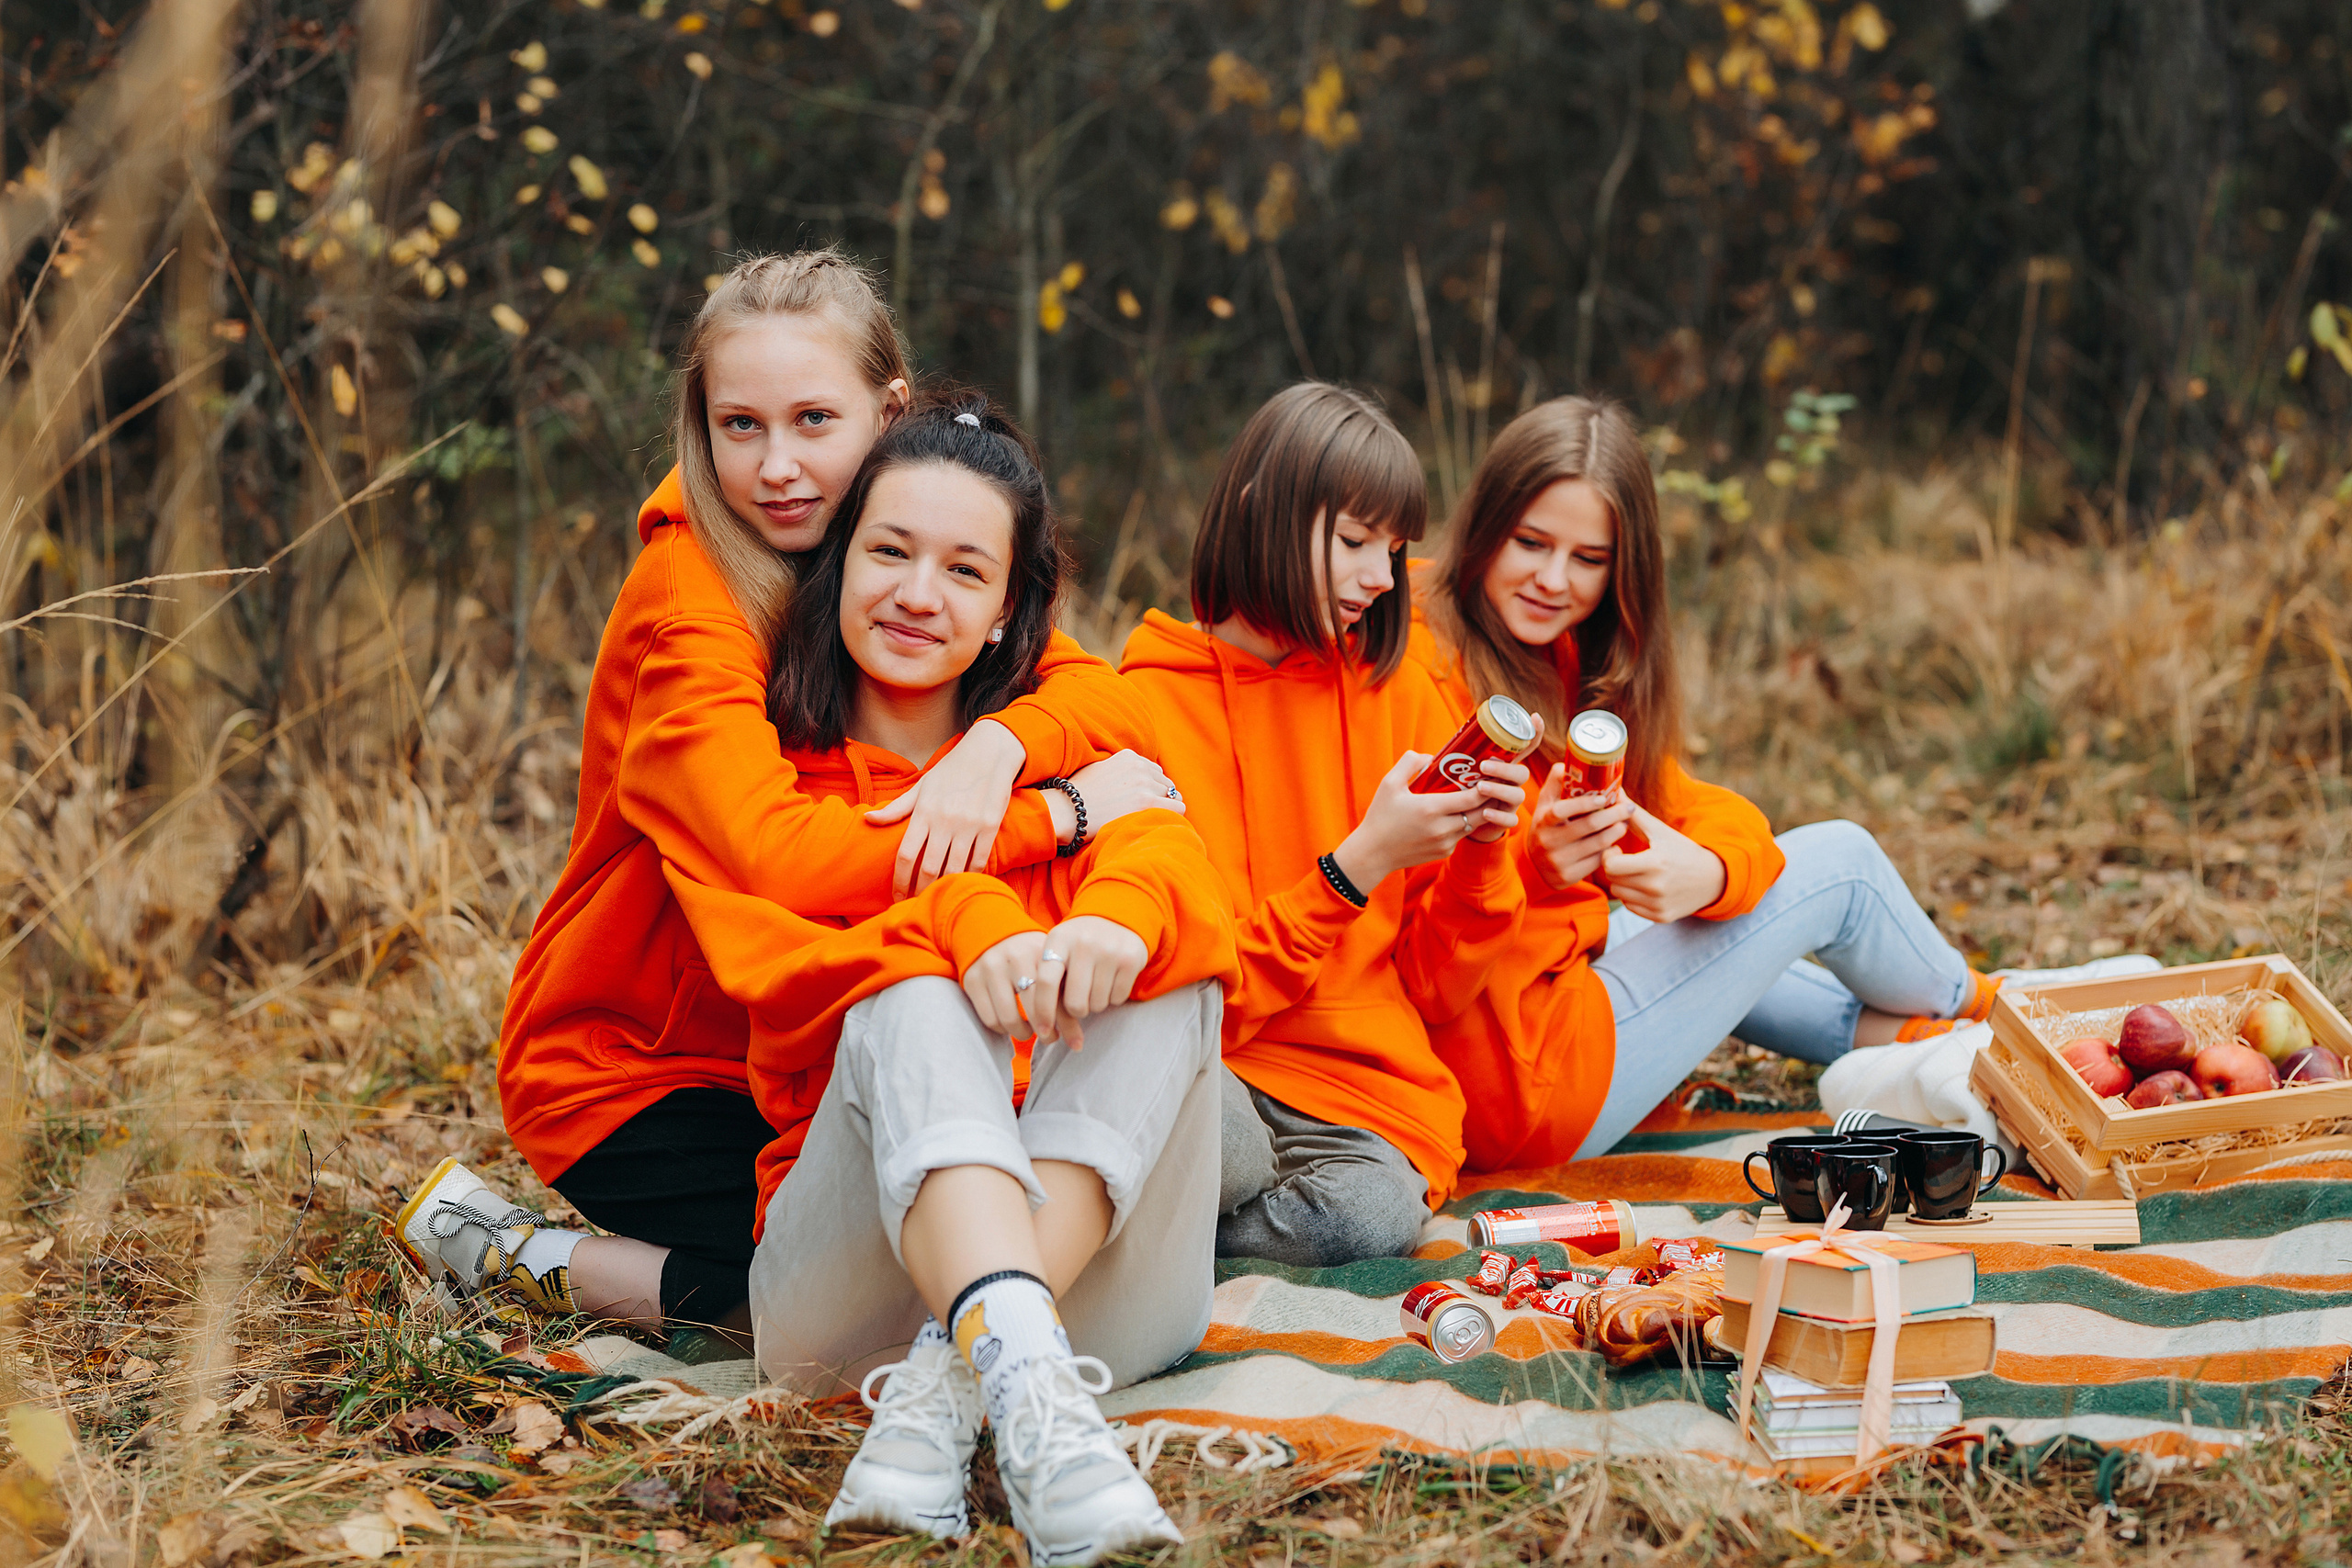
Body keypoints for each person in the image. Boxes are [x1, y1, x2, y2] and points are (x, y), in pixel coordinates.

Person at [396, 251, 1171, 1345]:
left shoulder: (884, 541)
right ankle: (526, 1255)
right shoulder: (690, 601)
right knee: (849, 1294)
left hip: (791, 1025)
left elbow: (1098, 691)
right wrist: (1056, 815)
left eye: (814, 420)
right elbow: (776, 855)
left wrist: (1002, 743)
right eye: (740, 426)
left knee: (971, 1220)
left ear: (889, 410)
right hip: (639, 1065)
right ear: (700, 425)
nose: (776, 467)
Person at [662, 395, 1235, 1562]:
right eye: (888, 551)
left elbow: (1171, 858)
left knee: (1169, 969)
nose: (919, 594)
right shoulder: (776, 792)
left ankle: (960, 1383)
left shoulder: (1061, 745)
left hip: (1105, 1289)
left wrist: (1113, 925)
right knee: (914, 990)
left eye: (965, 570)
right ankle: (1010, 1387)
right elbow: (805, 975)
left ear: (1004, 615)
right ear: (835, 569)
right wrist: (976, 919)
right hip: (844, 1311)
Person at [1411, 394, 2133, 1170]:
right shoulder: (1421, 662)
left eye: (1589, 560)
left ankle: (1951, 1038)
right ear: (1484, 523)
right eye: (1531, 543)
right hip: (1520, 1084)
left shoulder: (1544, 651)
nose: (1554, 580)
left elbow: (1696, 805)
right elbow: (1428, 925)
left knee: (1718, 917)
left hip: (1536, 1010)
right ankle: (2000, 1007)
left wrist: (1710, 872)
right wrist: (1539, 870)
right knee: (1843, 864)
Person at [1118, 382, 1532, 1268]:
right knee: (1225, 1153)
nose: (1382, 579)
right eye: (1353, 542)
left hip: (1358, 1085)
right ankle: (1185, 1215)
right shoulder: (1145, 707)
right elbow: (1205, 988)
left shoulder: (1397, 691)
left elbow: (1434, 990)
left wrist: (1480, 860)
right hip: (1216, 1061)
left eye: (1392, 549)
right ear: (1259, 510)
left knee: (1374, 1217)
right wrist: (1354, 865)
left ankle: (1174, 1234)